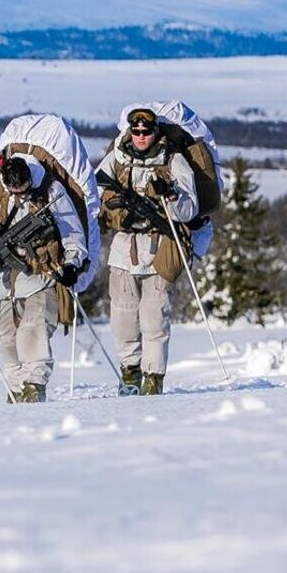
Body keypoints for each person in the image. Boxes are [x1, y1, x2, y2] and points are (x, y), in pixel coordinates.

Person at [96, 107, 198, 395]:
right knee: (123, 316)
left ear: (155, 132)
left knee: (154, 316)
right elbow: (96, 191)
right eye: (136, 132)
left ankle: (153, 379)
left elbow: (191, 207)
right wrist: (117, 211)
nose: (141, 137)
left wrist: (171, 195)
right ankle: (129, 374)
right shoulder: (117, 158)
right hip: (124, 248)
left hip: (160, 246)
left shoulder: (172, 159)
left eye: (146, 132)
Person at [0, 154, 87, 402]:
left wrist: (72, 264)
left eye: (23, 190)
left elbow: (72, 231)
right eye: (14, 191)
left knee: (34, 330)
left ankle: (34, 385)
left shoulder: (50, 191)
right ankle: (17, 388)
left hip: (41, 276)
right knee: (7, 338)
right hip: (4, 283)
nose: (19, 195)